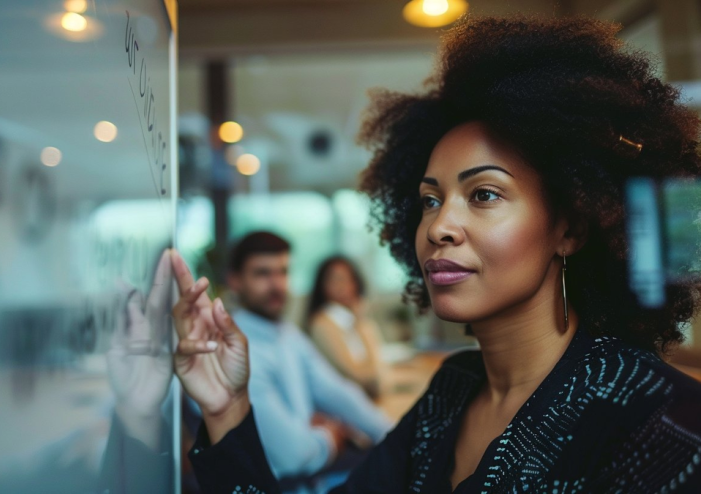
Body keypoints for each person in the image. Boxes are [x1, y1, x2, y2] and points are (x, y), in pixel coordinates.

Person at [170, 16, 701, 493]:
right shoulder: (450, 393)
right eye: (429, 200)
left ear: (571, 227)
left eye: (484, 194)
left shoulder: (663, 424)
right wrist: (226, 407)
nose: (440, 226)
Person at [203, 232, 392, 490]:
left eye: (283, 272)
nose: (277, 284)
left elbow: (338, 392)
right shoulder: (234, 352)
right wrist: (331, 436)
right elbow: (294, 455)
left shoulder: (287, 335)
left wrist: (395, 436)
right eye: (262, 273)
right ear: (235, 281)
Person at [306, 256, 384, 398]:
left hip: (363, 398)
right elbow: (361, 375)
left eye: (349, 279)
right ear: (322, 285)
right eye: (336, 279)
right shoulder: (323, 324)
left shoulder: (348, 320)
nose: (344, 286)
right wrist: (362, 322)